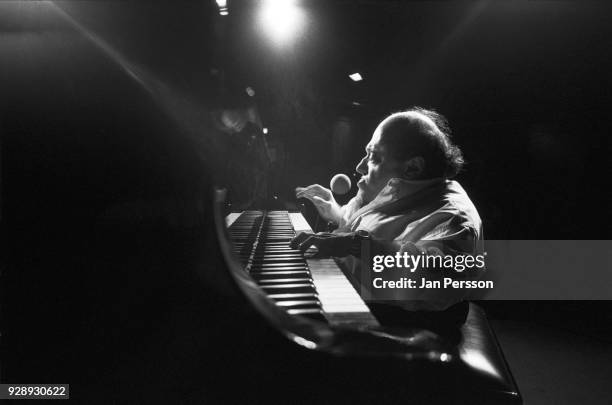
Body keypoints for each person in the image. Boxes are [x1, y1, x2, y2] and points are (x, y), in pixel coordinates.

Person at [291, 108, 483, 336]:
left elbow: (428, 281)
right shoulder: (397, 190)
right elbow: (369, 227)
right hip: (354, 301)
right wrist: (333, 210)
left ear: (413, 167)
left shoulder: (455, 217)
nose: (360, 167)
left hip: (392, 329)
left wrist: (355, 244)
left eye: (374, 157)